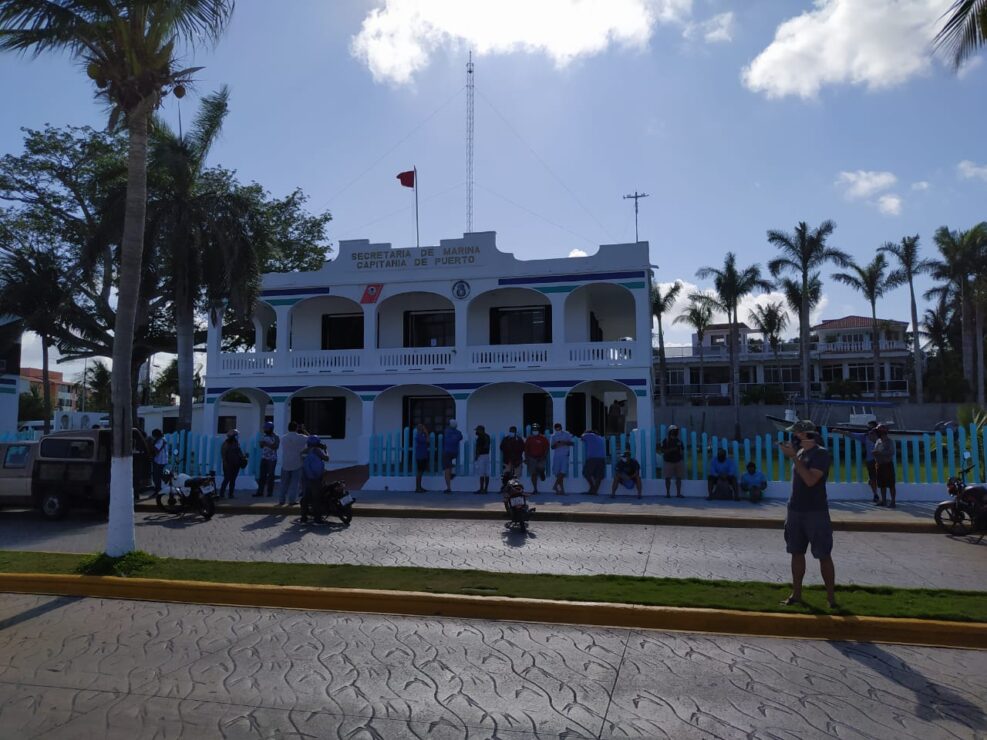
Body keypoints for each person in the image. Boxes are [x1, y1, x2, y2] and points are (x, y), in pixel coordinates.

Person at [780, 420, 837, 609]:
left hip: (815, 511)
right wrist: (795, 456)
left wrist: (793, 458)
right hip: (795, 509)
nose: (793, 437)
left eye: (796, 433)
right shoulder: (800, 453)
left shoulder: (820, 454)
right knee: (796, 552)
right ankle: (796, 595)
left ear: (805, 434)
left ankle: (831, 598)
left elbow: (811, 480)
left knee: (823, 554)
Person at [837, 421, 879, 503]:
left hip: (881, 460)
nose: (870, 429)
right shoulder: (865, 436)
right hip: (870, 460)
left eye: (872, 427)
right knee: (873, 479)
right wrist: (839, 431)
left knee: (879, 478)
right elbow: (851, 434)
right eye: (869, 427)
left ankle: (878, 492)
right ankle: (875, 494)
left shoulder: (881, 437)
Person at [300, 435, 328, 524]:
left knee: (305, 498)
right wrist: (325, 450)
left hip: (306, 477)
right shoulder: (317, 450)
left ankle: (303, 519)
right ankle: (317, 520)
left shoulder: (304, 451)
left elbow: (302, 460)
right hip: (316, 478)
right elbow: (326, 458)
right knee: (316, 498)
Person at [278, 421, 307, 506]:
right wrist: (304, 430)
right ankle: (291, 500)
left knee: (284, 483)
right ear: (297, 428)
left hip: (285, 463)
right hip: (297, 463)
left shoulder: (283, 438)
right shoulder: (301, 437)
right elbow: (312, 438)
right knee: (294, 484)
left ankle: (281, 500)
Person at [872, 424, 897, 508]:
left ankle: (893, 502)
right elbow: (876, 450)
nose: (877, 433)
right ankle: (883, 501)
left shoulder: (889, 441)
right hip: (879, 465)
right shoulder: (878, 441)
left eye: (878, 431)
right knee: (881, 484)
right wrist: (875, 453)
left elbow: (891, 452)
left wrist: (880, 453)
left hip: (887, 464)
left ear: (882, 432)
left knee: (891, 484)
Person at [254, 421, 280, 498]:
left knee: (270, 476)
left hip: (272, 459)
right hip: (264, 458)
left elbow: (276, 447)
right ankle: (260, 492)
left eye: (266, 429)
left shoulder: (276, 437)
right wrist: (262, 443)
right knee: (262, 476)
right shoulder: (264, 436)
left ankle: (269, 492)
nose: (265, 430)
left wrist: (266, 444)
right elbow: (261, 446)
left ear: (270, 428)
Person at [658, 425, 686, 498]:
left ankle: (678, 493)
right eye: (674, 431)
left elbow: (682, 450)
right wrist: (672, 450)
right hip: (668, 462)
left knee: (679, 478)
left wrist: (681, 455)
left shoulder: (679, 441)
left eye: (676, 431)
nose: (675, 432)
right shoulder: (666, 441)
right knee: (667, 478)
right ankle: (668, 493)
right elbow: (662, 451)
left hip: (678, 461)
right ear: (670, 432)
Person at [219, 429, 246, 499]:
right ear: (232, 436)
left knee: (233, 480)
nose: (237, 436)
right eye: (236, 435)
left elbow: (239, 453)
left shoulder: (236, 443)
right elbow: (223, 455)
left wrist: (243, 457)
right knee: (227, 479)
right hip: (228, 465)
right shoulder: (226, 444)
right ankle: (221, 494)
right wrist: (225, 463)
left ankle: (231, 494)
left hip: (236, 465)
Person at [524, 424, 550, 494]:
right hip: (532, 458)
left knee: (541, 468)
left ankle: (541, 472)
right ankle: (535, 489)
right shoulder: (529, 438)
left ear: (538, 430)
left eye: (536, 429)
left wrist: (544, 456)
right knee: (533, 474)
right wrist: (526, 458)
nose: (535, 431)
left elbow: (547, 448)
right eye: (534, 430)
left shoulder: (543, 438)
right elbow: (526, 449)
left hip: (541, 458)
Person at [549, 422, 574, 495]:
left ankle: (555, 486)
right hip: (557, 456)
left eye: (559, 429)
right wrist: (556, 444)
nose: (558, 430)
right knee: (557, 473)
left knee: (563, 472)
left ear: (561, 428)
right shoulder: (554, 436)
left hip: (565, 455)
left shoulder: (567, 434)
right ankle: (561, 491)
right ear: (554, 429)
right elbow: (552, 447)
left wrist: (564, 442)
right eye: (556, 429)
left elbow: (572, 443)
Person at [581, 429, 606, 495]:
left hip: (593, 458)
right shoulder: (600, 438)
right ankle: (594, 491)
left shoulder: (589, 435)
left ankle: (592, 488)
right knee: (598, 476)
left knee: (586, 473)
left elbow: (582, 437)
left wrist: (584, 433)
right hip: (602, 458)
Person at [442, 419, 463, 493]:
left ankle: (448, 488)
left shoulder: (446, 431)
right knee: (450, 465)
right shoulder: (458, 433)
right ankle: (452, 472)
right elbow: (461, 437)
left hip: (447, 452)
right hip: (454, 452)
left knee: (447, 469)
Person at [473, 424, 491, 494]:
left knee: (481, 473)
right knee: (486, 473)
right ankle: (485, 489)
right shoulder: (487, 436)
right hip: (487, 455)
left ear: (480, 430)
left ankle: (481, 489)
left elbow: (478, 448)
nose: (476, 432)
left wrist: (476, 456)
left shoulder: (480, 437)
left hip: (481, 456)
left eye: (477, 430)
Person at [150, 429, 168, 495]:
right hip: (159, 460)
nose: (153, 437)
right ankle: (158, 488)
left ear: (156, 435)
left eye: (154, 436)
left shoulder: (161, 440)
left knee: (156, 476)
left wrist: (151, 444)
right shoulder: (161, 440)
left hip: (160, 461)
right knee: (157, 475)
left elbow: (157, 450)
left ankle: (158, 489)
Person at [414, 423, 430, 493]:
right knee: (419, 472)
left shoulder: (421, 436)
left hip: (422, 456)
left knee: (421, 472)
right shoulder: (419, 436)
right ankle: (418, 488)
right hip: (420, 456)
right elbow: (428, 441)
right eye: (422, 428)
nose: (423, 429)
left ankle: (419, 487)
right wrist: (427, 433)